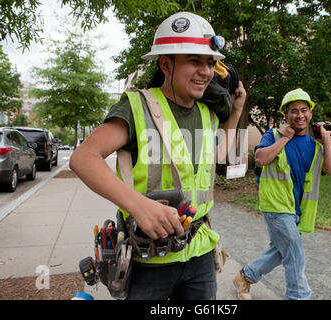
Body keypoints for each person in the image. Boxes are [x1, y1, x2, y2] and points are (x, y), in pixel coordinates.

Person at [70, 11, 246, 300]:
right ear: (166, 63)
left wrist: (236, 110)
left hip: (199, 252)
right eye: (194, 61)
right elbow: (84, 157)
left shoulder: (208, 113)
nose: (206, 72)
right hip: (148, 259)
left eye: (210, 63)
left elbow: (213, 157)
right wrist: (138, 206)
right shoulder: (136, 106)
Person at [233, 88, 331, 300]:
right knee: (295, 255)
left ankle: (246, 276)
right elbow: (261, 159)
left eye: (304, 110)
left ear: (310, 113)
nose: (299, 115)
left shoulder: (315, 146)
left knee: (283, 251)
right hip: (276, 205)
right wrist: (284, 139)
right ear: (286, 115)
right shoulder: (273, 134)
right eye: (293, 111)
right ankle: (298, 296)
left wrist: (326, 139)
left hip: (297, 208)